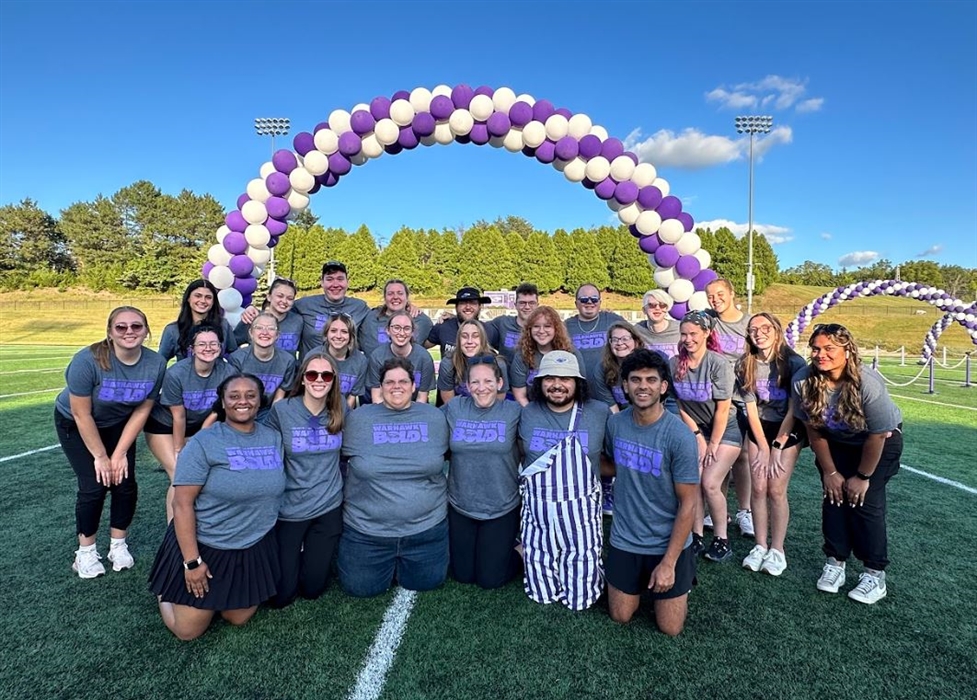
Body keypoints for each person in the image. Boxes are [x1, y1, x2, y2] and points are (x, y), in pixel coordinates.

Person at [149, 374, 285, 640]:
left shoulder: (273, 438)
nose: (242, 401)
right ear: (222, 402)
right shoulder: (204, 442)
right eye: (234, 396)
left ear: (260, 401)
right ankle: (166, 586)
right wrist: (192, 562)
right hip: (207, 546)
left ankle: (217, 594)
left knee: (237, 617)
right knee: (187, 631)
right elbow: (182, 502)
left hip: (251, 547)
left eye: (250, 395)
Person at [792, 323, 903, 604]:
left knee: (866, 502)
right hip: (835, 443)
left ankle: (874, 574)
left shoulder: (867, 382)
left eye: (829, 348)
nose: (821, 354)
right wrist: (830, 472)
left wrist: (863, 476)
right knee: (834, 498)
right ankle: (835, 562)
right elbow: (813, 431)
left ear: (847, 350)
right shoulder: (803, 380)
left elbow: (878, 434)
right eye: (816, 348)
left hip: (878, 443)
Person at [55, 307, 166, 578]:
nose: (129, 332)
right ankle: (85, 553)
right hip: (77, 423)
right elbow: (81, 413)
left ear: (147, 330)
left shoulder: (156, 363)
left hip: (118, 424)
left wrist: (119, 453)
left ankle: (118, 545)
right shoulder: (87, 360)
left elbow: (143, 409)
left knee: (124, 482)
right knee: (94, 484)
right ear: (110, 332)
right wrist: (101, 457)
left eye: (136, 326)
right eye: (122, 327)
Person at [602, 349, 698, 636]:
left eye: (651, 380)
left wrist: (668, 563)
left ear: (663, 387)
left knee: (669, 628)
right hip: (626, 538)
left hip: (666, 542)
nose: (643, 386)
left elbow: (689, 504)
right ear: (625, 386)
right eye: (635, 380)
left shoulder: (679, 435)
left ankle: (681, 573)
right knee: (620, 616)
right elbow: (610, 465)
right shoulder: (616, 424)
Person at [338, 357, 450, 597]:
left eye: (403, 381)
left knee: (429, 581)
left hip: (426, 528)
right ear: (379, 387)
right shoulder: (359, 419)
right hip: (367, 531)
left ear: (413, 386)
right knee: (360, 588)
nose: (396, 386)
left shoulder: (435, 418)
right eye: (389, 382)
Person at [518, 350, 610, 611]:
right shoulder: (527, 413)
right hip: (538, 509)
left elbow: (615, 459)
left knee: (582, 595)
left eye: (565, 379)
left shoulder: (599, 412)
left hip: (580, 510)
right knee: (540, 586)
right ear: (539, 382)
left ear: (577, 382)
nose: (557, 385)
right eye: (549, 379)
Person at [266, 353, 345, 607]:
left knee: (312, 589)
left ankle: (309, 552)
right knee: (281, 596)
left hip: (328, 506)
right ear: (302, 379)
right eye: (312, 374)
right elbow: (267, 450)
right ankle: (294, 552)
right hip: (290, 508)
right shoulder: (283, 410)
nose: (319, 380)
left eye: (326, 375)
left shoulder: (341, 408)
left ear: (333, 380)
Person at [736, 313, 807, 576]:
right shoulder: (746, 363)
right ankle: (759, 545)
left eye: (765, 328)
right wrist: (763, 446)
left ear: (777, 330)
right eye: (753, 329)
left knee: (775, 489)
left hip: (788, 428)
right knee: (758, 487)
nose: (759, 333)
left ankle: (777, 550)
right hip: (760, 427)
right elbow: (751, 408)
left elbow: (793, 409)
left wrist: (776, 447)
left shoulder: (794, 363)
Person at [442, 356, 522, 589]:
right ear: (467, 386)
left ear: (499, 383)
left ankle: (522, 548)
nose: (481, 387)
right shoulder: (455, 408)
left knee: (490, 579)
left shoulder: (514, 411)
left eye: (488, 381)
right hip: (461, 504)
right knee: (463, 575)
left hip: (501, 505)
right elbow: (426, 421)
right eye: (474, 382)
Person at [669, 310, 742, 563]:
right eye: (683, 334)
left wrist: (711, 444)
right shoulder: (674, 363)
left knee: (711, 483)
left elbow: (723, 409)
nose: (687, 339)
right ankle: (697, 535)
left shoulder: (718, 363)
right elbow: (679, 406)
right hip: (696, 429)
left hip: (726, 430)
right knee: (695, 480)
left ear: (706, 333)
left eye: (693, 333)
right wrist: (698, 437)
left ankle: (722, 539)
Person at [145, 325, 236, 521]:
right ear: (191, 348)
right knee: (180, 476)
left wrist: (203, 432)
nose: (208, 348)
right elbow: (178, 416)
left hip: (198, 424)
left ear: (220, 347)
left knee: (204, 474)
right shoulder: (176, 373)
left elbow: (219, 409)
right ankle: (173, 531)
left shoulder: (228, 371)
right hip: (164, 425)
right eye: (202, 344)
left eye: (213, 343)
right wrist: (179, 449)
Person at [705, 278, 754, 538]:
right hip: (717, 399)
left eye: (720, 294)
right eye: (710, 295)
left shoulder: (748, 324)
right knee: (720, 455)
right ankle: (718, 511)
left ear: (732, 293)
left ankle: (744, 511)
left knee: (744, 456)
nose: (715, 299)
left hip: (743, 398)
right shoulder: (709, 321)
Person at [589, 321, 644, 516]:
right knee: (604, 435)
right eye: (615, 340)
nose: (620, 343)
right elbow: (611, 407)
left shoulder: (647, 364)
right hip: (619, 416)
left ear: (636, 341)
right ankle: (606, 488)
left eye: (625, 339)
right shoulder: (603, 368)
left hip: (647, 415)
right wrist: (623, 430)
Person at [509, 305, 586, 406]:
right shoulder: (522, 355)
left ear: (556, 329)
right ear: (529, 330)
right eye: (536, 326)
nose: (541, 331)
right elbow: (520, 395)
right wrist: (532, 415)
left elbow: (580, 389)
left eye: (547, 326)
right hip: (533, 409)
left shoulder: (571, 353)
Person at [228, 313, 297, 422]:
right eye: (259, 328)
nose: (265, 333)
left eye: (271, 328)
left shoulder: (287, 360)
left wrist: (270, 421)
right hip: (242, 409)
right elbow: (234, 395)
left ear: (277, 335)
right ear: (251, 333)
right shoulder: (237, 359)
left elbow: (278, 398)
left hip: (268, 411)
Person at [293, 261, 370, 356]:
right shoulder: (304, 305)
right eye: (329, 279)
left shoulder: (359, 307)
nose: (335, 284)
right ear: (322, 282)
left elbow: (380, 318)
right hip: (312, 367)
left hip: (344, 368)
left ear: (347, 282)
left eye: (340, 279)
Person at [158, 280, 236, 361]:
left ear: (213, 302)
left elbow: (234, 355)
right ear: (188, 298)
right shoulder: (173, 330)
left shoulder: (223, 325)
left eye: (208, 297)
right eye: (198, 296)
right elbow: (160, 362)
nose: (203, 301)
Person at [366, 312, 436, 404]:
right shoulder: (377, 356)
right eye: (396, 328)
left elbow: (421, 398)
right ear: (387, 330)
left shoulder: (424, 358)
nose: (401, 333)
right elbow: (377, 397)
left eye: (407, 328)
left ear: (412, 332)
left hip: (414, 409)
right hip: (384, 409)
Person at [305, 313, 369, 410]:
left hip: (342, 411)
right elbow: (306, 392)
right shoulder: (313, 356)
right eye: (333, 331)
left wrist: (340, 419)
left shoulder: (360, 361)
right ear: (326, 333)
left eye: (344, 331)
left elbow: (352, 397)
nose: (338, 336)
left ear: (351, 336)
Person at [437, 319, 510, 404]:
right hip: (459, 411)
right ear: (458, 340)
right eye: (464, 336)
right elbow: (450, 402)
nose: (470, 341)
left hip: (489, 412)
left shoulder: (498, 364)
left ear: (482, 339)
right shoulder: (448, 364)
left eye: (475, 336)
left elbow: (499, 398)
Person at [358, 279, 433, 358]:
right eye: (390, 294)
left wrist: (445, 317)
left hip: (407, 369)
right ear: (384, 297)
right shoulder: (369, 318)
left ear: (407, 297)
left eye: (400, 293)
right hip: (375, 369)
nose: (395, 297)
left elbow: (435, 338)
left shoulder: (422, 321)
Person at [562, 283, 625, 377]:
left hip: (609, 383)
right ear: (576, 303)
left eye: (594, 299)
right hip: (578, 385)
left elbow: (634, 341)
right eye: (584, 299)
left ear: (600, 302)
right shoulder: (565, 326)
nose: (589, 302)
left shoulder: (613, 320)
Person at [233, 277, 304, 356]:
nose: (284, 301)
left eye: (290, 298)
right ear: (269, 297)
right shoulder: (253, 318)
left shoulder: (298, 321)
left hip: (288, 368)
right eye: (280, 296)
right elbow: (232, 344)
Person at [425, 286, 498, 356]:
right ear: (456, 307)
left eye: (473, 302)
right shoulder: (443, 327)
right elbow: (420, 346)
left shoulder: (489, 330)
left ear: (480, 307)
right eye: (463, 303)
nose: (468, 307)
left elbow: (505, 351)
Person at [487, 282, 539, 364]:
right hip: (506, 374)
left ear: (537, 305)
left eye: (531, 303)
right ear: (515, 305)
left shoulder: (544, 329)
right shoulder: (502, 323)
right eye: (522, 303)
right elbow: (479, 332)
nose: (527, 307)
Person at [636, 289, 682, 361]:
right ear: (644, 310)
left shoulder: (680, 329)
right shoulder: (636, 330)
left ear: (667, 309)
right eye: (652, 305)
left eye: (662, 305)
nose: (657, 308)